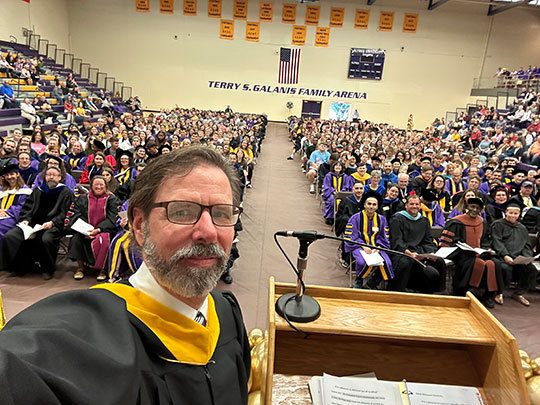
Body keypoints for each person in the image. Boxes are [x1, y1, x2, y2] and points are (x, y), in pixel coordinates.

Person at [0, 146, 251, 403]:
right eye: (182, 211)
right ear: (140, 226)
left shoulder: (226, 314)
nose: (208, 232)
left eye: (221, 213)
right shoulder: (79, 334)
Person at [0, 166, 74, 280]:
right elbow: (27, 209)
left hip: (52, 226)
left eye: (54, 175)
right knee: (10, 236)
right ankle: (17, 266)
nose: (51, 177)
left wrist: (52, 222)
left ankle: (48, 269)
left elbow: (65, 213)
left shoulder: (66, 192)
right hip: (32, 225)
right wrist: (25, 220)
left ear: (60, 177)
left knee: (46, 238)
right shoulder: (38, 190)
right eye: (49, 174)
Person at [440, 198, 502, 308]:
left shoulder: (482, 222)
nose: (474, 210)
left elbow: (486, 241)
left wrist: (487, 250)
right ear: (467, 208)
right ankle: (463, 291)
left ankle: (488, 295)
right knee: (473, 262)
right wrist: (466, 250)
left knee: (493, 263)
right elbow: (448, 243)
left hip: (480, 252)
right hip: (461, 254)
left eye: (477, 208)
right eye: (472, 207)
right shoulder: (456, 222)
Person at [66, 175, 120, 281]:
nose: (99, 187)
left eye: (101, 185)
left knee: (105, 240)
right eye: (96, 185)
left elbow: (113, 218)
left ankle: (103, 269)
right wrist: (86, 230)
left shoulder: (112, 200)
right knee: (76, 239)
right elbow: (75, 215)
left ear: (105, 186)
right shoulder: (82, 198)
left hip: (105, 230)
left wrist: (98, 230)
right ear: (91, 186)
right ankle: (81, 268)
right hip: (86, 230)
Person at [388, 194, 445, 293]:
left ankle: (433, 292)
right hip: (402, 252)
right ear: (406, 205)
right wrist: (409, 253)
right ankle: (399, 291)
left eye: (417, 204)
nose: (414, 206)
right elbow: (396, 240)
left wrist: (430, 253)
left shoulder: (424, 220)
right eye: (412, 204)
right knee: (405, 263)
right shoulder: (397, 219)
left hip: (419, 251)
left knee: (438, 261)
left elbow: (428, 240)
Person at [490, 201, 536, 307]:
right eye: (511, 213)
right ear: (506, 212)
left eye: (515, 214)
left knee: (530, 269)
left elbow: (526, 245)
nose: (513, 216)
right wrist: (505, 255)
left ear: (519, 214)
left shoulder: (522, 228)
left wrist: (525, 258)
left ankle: (519, 293)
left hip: (517, 258)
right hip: (501, 256)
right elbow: (497, 241)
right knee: (504, 268)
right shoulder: (498, 225)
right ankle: (498, 292)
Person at [344, 192, 393, 289]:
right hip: (358, 246)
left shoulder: (382, 219)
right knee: (362, 262)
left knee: (387, 263)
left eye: (374, 204)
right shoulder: (355, 218)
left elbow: (385, 237)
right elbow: (351, 236)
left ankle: (372, 283)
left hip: (376, 247)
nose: (371, 206)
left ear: (377, 206)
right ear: (364, 205)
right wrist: (364, 246)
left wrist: (379, 247)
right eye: (369, 204)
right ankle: (359, 279)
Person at [0, 164, 32, 243]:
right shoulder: (2, 190)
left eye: (12, 174)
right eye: (7, 175)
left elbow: (24, 207)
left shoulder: (25, 191)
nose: (9, 177)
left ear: (17, 174)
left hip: (14, 218)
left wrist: (7, 212)